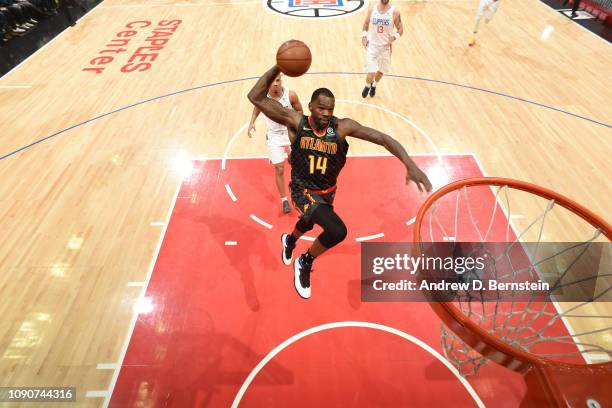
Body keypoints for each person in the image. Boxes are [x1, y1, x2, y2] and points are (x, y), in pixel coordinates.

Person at [248, 65, 432, 299]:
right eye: (321, 108)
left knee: (309, 223)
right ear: (311, 107)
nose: (326, 113)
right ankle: (305, 261)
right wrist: (279, 66)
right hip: (302, 191)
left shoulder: (342, 127)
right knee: (337, 230)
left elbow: (384, 139)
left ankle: (290, 240)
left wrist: (410, 164)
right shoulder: (296, 122)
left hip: (327, 192)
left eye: (330, 109)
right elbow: (254, 97)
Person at [248, 73, 303, 214]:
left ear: (281, 80)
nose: (275, 84)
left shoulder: (291, 95)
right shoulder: (263, 98)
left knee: (296, 164)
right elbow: (257, 108)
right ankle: (284, 200)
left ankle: (298, 188)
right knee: (279, 168)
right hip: (274, 137)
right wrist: (252, 122)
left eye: (278, 80)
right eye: (272, 82)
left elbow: (300, 111)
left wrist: (298, 125)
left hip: (290, 134)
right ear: (268, 83)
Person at [360, 0, 403, 98]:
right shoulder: (372, 8)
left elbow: (400, 29)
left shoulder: (394, 12)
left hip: (385, 48)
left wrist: (394, 37)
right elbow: (366, 24)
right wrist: (364, 36)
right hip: (372, 47)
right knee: (371, 72)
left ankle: (374, 85)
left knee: (381, 71)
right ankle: (367, 86)